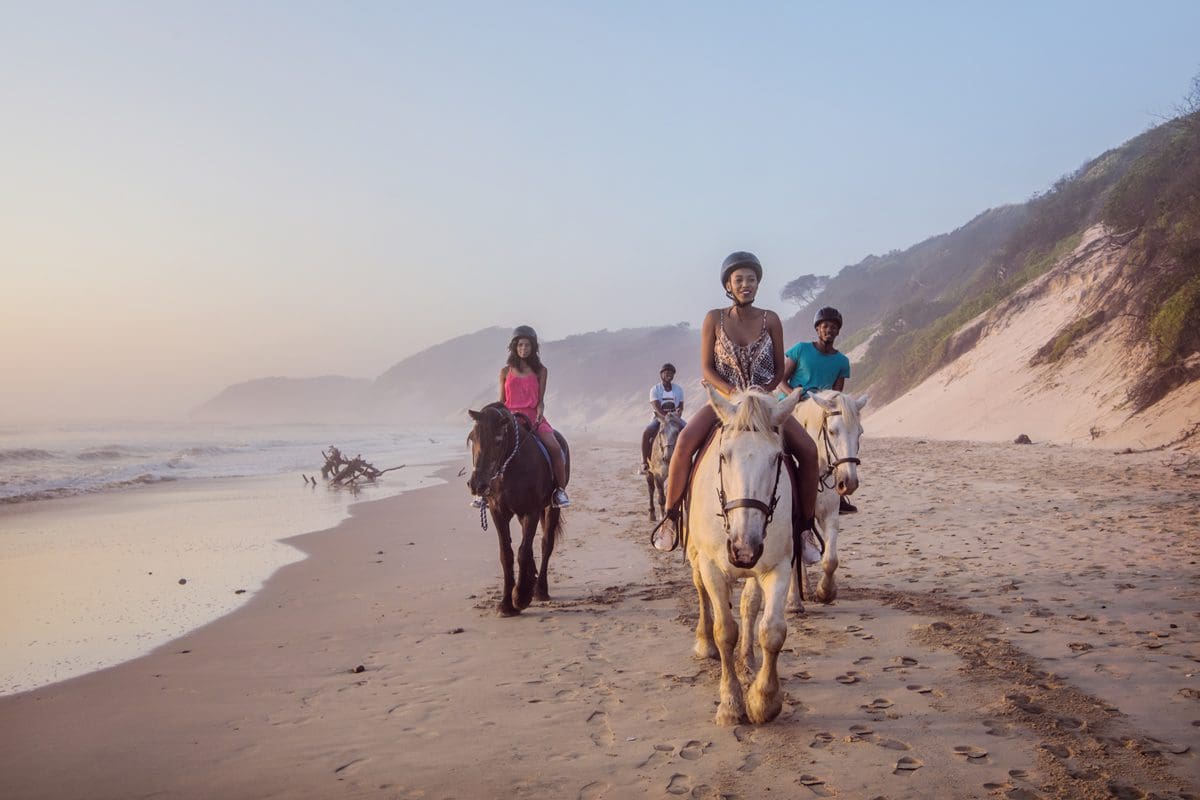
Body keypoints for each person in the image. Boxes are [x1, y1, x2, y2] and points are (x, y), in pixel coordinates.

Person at [651, 251, 819, 551]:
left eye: (751, 279)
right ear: (728, 284)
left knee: (808, 450)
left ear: (758, 284)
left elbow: (780, 368)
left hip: (763, 404)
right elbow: (706, 367)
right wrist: (730, 393)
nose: (746, 284)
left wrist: (761, 393)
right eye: (739, 279)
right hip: (726, 402)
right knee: (686, 440)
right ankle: (671, 517)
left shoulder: (772, 319)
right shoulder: (714, 318)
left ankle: (806, 528)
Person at [778, 306, 858, 513]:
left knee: (839, 439)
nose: (829, 330)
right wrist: (795, 396)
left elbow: (836, 395)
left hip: (821, 409)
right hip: (793, 405)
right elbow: (781, 380)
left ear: (838, 331)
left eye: (833, 327)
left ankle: (837, 493)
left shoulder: (842, 361)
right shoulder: (801, 349)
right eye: (825, 326)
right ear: (817, 329)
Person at [492, 325, 571, 508]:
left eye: (527, 345)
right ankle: (485, 492)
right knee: (489, 450)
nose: (523, 349)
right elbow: (502, 401)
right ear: (514, 346)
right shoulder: (505, 372)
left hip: (533, 418)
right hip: (510, 419)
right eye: (520, 345)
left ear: (533, 347)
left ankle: (559, 491)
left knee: (556, 449)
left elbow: (540, 401)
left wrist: (540, 412)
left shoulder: (541, 371)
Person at [640, 363, 685, 474]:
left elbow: (680, 405)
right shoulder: (655, 389)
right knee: (647, 432)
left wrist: (678, 413)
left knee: (689, 431)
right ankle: (644, 462)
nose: (669, 374)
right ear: (661, 374)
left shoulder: (678, 389)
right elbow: (657, 407)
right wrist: (666, 417)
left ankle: (690, 460)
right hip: (659, 418)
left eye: (671, 373)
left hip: (674, 418)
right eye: (666, 372)